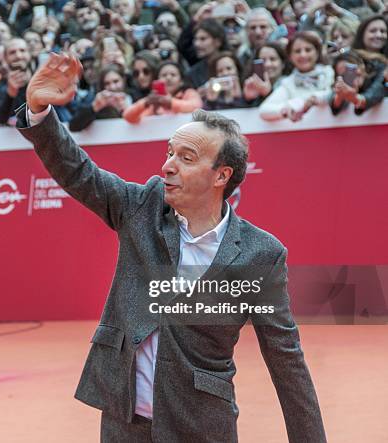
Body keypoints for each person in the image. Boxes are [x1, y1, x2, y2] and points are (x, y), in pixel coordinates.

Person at [16, 52, 327, 442]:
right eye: (169, 152)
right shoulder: (141, 206)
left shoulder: (260, 255)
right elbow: (78, 172)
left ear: (221, 175)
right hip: (124, 420)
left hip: (201, 424)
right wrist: (40, 111)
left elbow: (285, 358)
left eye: (186, 157)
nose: (167, 166)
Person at [259, 31, 334, 121]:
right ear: (290, 56)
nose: (303, 55)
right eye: (297, 51)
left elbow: (333, 93)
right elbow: (264, 110)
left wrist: (313, 98)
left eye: (308, 50)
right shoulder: (288, 83)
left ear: (317, 52)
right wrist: (287, 109)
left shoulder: (331, 72)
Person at [123, 61, 202, 124]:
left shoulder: (189, 93)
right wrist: (146, 103)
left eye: (173, 75)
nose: (168, 78)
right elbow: (128, 116)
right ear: (157, 81)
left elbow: (196, 107)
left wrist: (170, 103)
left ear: (181, 81)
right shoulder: (153, 101)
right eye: (164, 75)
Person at [69, 65, 132, 132]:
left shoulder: (135, 97)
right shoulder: (97, 102)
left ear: (123, 80)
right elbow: (73, 127)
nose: (112, 87)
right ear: (102, 86)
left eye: (116, 81)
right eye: (107, 83)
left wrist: (127, 110)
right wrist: (94, 108)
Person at [329, 50, 386, 115]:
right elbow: (335, 105)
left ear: (361, 64)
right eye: (343, 75)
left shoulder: (380, 68)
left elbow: (376, 93)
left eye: (350, 69)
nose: (349, 76)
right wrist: (340, 95)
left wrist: (353, 97)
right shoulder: (344, 83)